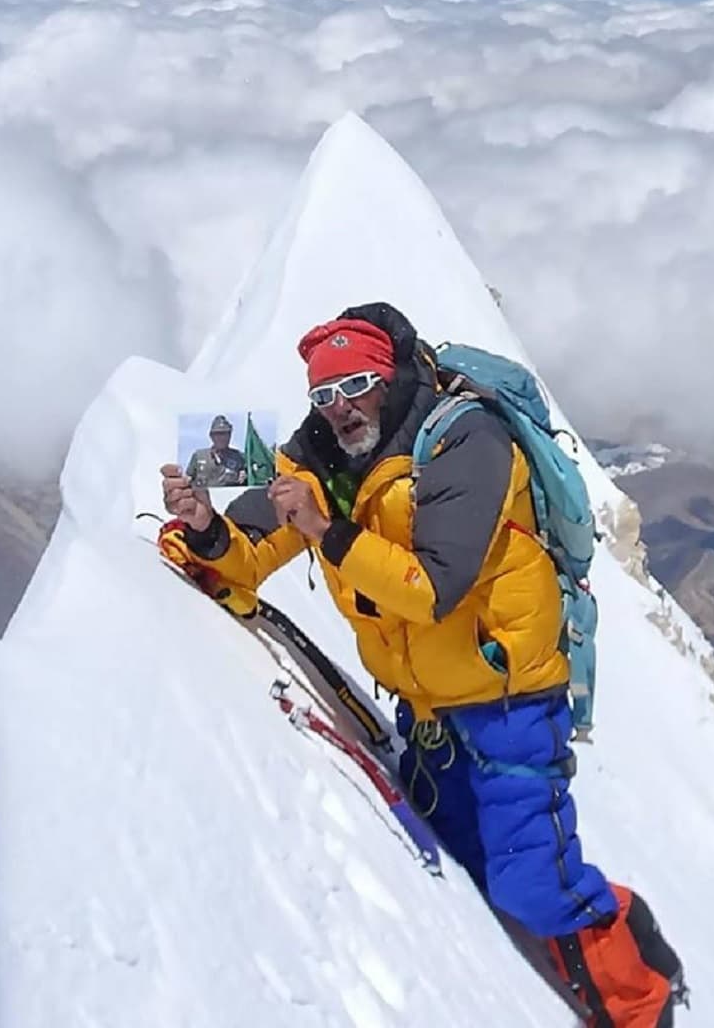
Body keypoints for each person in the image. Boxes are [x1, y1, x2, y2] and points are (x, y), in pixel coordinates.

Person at [159, 302, 685, 1026]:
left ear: (393, 377)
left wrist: (328, 531)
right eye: (323, 396)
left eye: (356, 386)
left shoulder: (465, 441)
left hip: (513, 698)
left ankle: (643, 994)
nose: (340, 409)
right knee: (467, 864)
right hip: (429, 708)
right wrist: (206, 530)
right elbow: (250, 554)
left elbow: (435, 588)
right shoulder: (315, 459)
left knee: (532, 885)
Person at [184, 414, 247, 487]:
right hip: (203, 497)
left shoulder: (239, 457)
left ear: (230, 435)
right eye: (218, 434)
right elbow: (187, 480)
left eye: (225, 434)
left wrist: (245, 477)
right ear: (211, 436)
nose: (222, 438)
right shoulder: (199, 456)